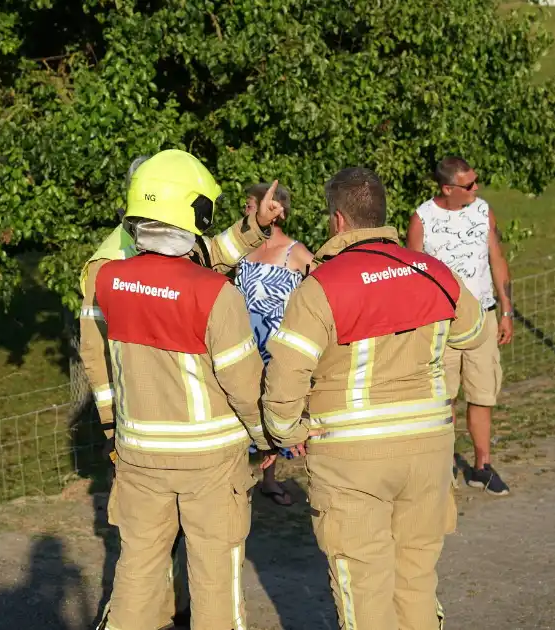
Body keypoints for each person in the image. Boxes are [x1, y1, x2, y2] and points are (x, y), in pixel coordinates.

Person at [261, 166, 490, 629]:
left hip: (352, 455)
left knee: (363, 587)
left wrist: (288, 432)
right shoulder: (432, 271)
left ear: (338, 221)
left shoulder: (321, 287)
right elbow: (472, 332)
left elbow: (286, 373)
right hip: (428, 448)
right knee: (416, 580)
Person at [79, 157, 284, 628]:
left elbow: (97, 362)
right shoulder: (213, 293)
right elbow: (243, 383)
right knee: (214, 580)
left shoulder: (104, 276)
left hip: (139, 453)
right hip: (209, 462)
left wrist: (115, 430)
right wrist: (267, 437)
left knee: (137, 573)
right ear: (194, 214)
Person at [407, 156, 514, 496]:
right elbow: (414, 277)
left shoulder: (483, 211)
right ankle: (443, 465)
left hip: (484, 317)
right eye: (469, 185)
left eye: (476, 181)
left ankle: (482, 466)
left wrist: (507, 309)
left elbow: (496, 259)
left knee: (483, 393)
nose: (476, 189)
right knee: (444, 397)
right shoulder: (422, 219)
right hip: (443, 324)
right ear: (447, 188)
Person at [233, 182, 313, 506]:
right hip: (240, 344)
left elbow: (324, 293)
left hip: (275, 345)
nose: (245, 212)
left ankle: (269, 478)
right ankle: (238, 477)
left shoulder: (297, 253)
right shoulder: (241, 249)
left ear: (275, 211)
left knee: (272, 404)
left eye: (251, 205)